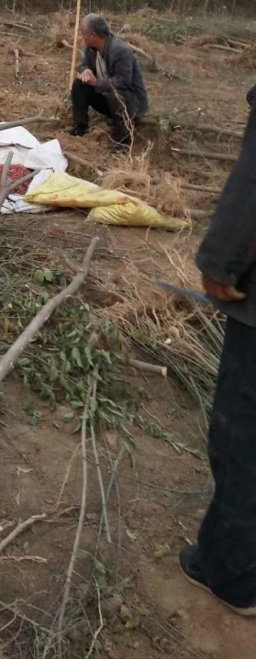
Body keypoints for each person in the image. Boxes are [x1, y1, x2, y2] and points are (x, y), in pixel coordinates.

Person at [180, 84, 256, 615]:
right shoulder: (94, 54)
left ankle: (231, 573)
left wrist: (219, 262)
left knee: (243, 436)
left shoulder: (116, 55)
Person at [68, 14, 148, 149]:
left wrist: (96, 83)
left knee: (114, 92)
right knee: (79, 83)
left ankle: (121, 141)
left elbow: (123, 81)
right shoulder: (91, 49)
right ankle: (80, 127)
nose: (82, 38)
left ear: (93, 35)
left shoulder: (120, 51)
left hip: (130, 103)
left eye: (83, 34)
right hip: (107, 100)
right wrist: (86, 70)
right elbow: (83, 64)